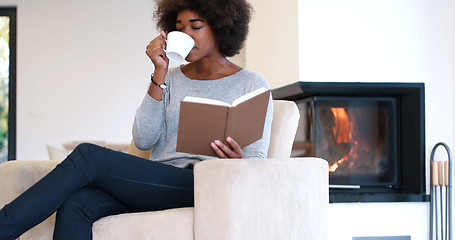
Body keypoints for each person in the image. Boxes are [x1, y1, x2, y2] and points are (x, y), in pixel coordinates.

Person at [0, 0, 273, 239]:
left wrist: (238, 163)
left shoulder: (252, 84)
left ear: (220, 26)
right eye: (180, 27)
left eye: (195, 26)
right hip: (157, 181)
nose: (186, 34)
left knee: (88, 157)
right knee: (78, 203)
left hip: (203, 184)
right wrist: (160, 74)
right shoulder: (172, 78)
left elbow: (256, 166)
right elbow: (144, 139)